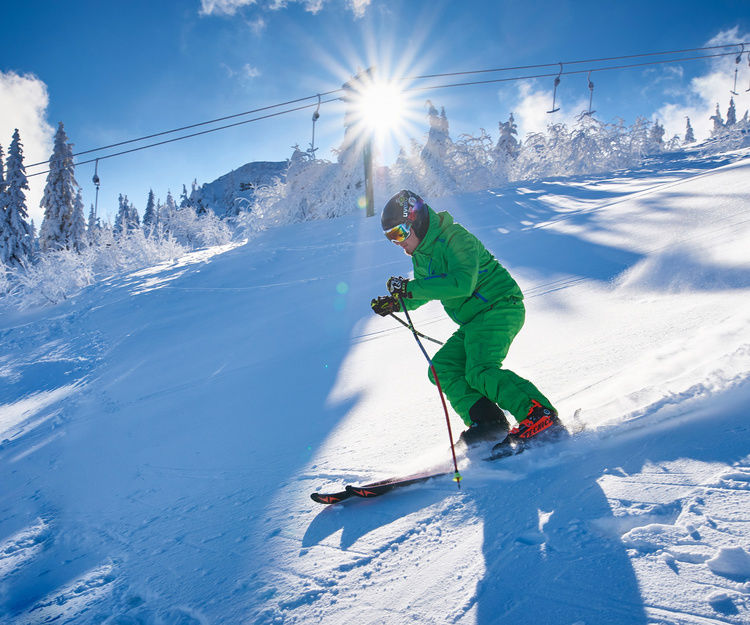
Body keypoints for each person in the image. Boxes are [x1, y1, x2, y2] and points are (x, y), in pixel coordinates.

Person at [371, 189, 558, 446]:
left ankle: (538, 413)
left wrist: (409, 288)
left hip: (499, 307)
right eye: (390, 237)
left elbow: (461, 284)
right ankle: (487, 420)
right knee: (443, 368)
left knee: (479, 370)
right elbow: (428, 290)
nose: (398, 242)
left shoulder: (456, 238)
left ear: (417, 221)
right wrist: (397, 302)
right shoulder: (421, 256)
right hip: (474, 321)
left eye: (399, 233)